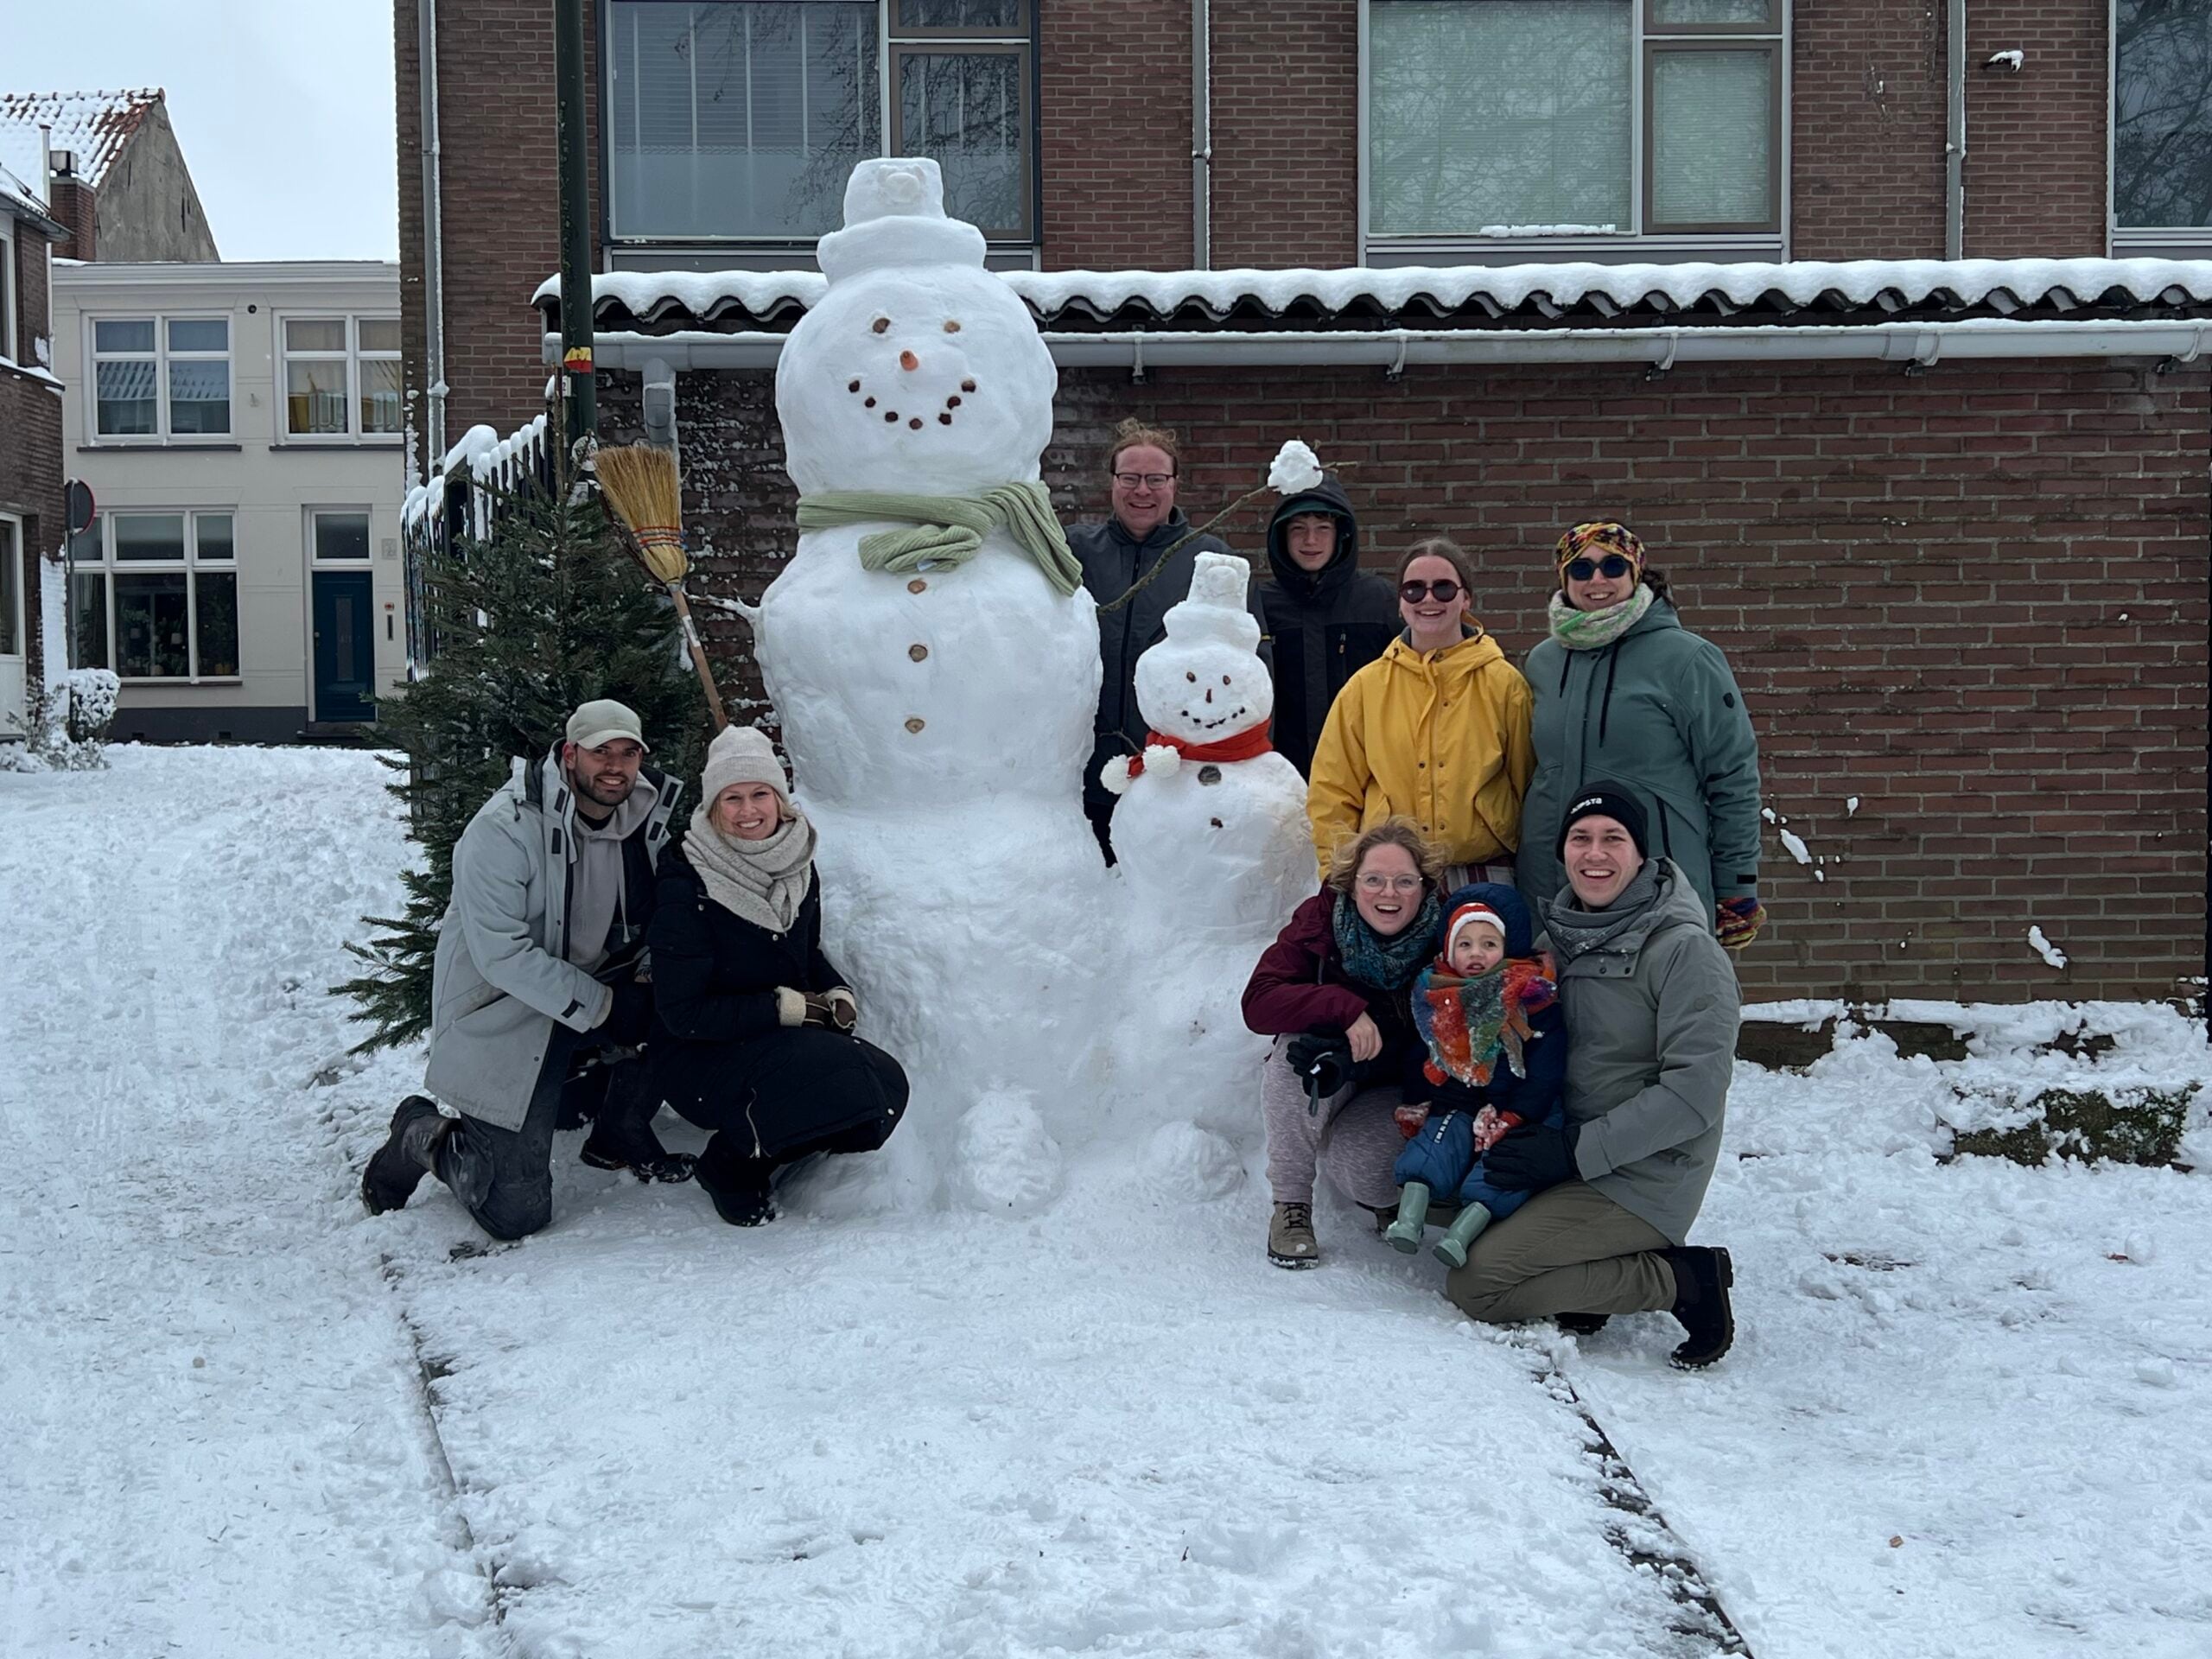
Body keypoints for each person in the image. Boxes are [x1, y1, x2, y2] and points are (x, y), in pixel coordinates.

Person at [362, 699, 690, 1241]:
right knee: (516, 1213)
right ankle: (419, 1132)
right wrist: (608, 1007)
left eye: (628, 752)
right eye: (599, 751)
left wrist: (652, 980)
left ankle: (620, 1132)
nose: (615, 765)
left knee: (685, 993)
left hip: (584, 988)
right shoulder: (503, 829)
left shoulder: (645, 822)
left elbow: (663, 919)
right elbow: (502, 957)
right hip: (504, 1007)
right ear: (568, 755)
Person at [1446, 787, 1740, 1370]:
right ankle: (1581, 1283)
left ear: (1642, 855)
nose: (1594, 854)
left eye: (1613, 838)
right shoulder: (1559, 937)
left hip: (1645, 1170)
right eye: (1580, 838)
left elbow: (1694, 1096)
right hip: (1561, 1141)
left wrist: (1575, 1152)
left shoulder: (1686, 953)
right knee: (1445, 1212)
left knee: (1478, 1284)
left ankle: (1679, 1279)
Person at [646, 724, 909, 1227]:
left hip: (774, 1040)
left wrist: (836, 991)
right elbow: (681, 1013)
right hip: (699, 1051)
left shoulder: (798, 865)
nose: (749, 812)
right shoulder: (689, 883)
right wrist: (782, 1007)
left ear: (779, 797)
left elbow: (806, 953)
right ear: (713, 808)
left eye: (759, 794)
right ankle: (727, 1167)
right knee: (835, 1078)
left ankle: (773, 1147)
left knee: (882, 1088)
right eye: (733, 799)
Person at [1516, 521, 1765, 950]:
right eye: (1581, 569)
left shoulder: (1687, 659)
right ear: (1564, 578)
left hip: (1660, 883)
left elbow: (1733, 779)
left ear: (1636, 574)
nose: (1597, 579)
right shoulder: (1542, 663)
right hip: (1557, 886)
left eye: (1613, 566)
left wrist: (1736, 886)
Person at [1242, 817, 1446, 1268]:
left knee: (1363, 1169)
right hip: (1335, 1064)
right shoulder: (1320, 921)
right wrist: (1341, 1007)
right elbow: (1258, 1003)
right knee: (1291, 1059)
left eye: (1404, 882)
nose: (1388, 894)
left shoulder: (1447, 934)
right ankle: (1291, 1208)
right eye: (1373, 880)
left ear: (1424, 886)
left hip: (1402, 1083)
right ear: (1352, 885)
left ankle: (1384, 1198)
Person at [1072, 417, 1269, 858]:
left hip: (1177, 770)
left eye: (1156, 479)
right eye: (1130, 478)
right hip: (1083, 766)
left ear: (1175, 485)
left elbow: (1251, 666)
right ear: (1112, 483)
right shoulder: (1075, 552)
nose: (1142, 490)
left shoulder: (1213, 559)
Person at [1306, 537, 1535, 888]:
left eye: (1443, 588)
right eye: (1414, 590)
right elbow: (1332, 794)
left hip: (1484, 873)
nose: (1428, 600)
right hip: (1389, 880)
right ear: (1400, 603)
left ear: (1466, 598)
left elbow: (1527, 784)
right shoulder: (1364, 688)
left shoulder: (1505, 685)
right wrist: (1338, 877)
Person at [1383, 884, 1566, 1268]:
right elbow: (1423, 1049)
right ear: (1449, 950)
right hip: (1458, 1098)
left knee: (1503, 1167)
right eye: (1464, 944)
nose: (1476, 954)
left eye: (1488, 943)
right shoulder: (1436, 992)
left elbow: (1546, 1067)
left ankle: (1462, 1233)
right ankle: (1409, 1219)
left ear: (1507, 946)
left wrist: (1518, 1113)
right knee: (1436, 1144)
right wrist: (1422, 1092)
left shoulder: (1533, 998)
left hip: (1516, 1106)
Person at [1256, 472, 1396, 778]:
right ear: (1281, 535)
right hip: (1281, 777)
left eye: (1323, 528)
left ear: (1340, 533)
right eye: (1298, 529)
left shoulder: (1379, 601)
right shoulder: (1259, 606)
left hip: (1366, 774)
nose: (1311, 540)